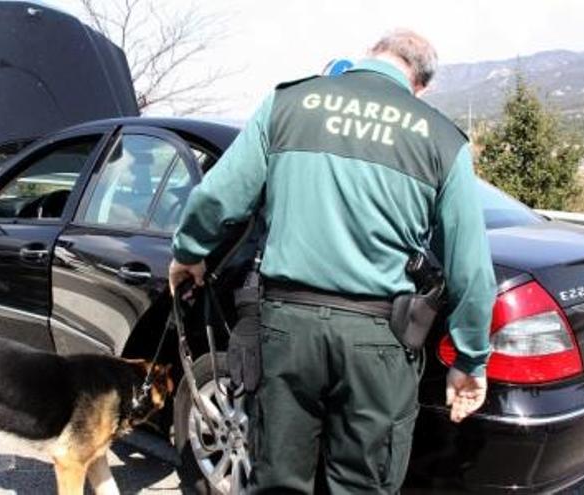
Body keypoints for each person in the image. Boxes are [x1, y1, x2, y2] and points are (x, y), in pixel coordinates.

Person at [169, 29, 496, 493]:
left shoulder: (289, 104)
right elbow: (472, 269)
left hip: (286, 330)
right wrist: (470, 359)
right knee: (363, 484)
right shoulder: (441, 138)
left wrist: (188, 253)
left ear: (368, 55)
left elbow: (218, 197)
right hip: (378, 340)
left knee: (277, 479)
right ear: (421, 85)